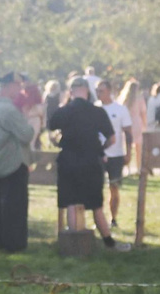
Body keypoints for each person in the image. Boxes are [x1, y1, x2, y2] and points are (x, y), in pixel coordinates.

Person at [47, 77, 112, 242]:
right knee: (96, 204)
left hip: (68, 161)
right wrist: (100, 150)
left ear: (70, 92)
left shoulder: (63, 111)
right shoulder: (97, 111)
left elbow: (51, 130)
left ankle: (74, 242)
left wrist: (57, 141)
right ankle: (108, 240)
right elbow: (112, 138)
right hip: (91, 161)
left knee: (71, 201)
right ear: (87, 91)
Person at [0, 79, 37, 253]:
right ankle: (14, 243)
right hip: (14, 161)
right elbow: (26, 134)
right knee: (15, 205)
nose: (20, 89)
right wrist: (30, 122)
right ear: (7, 86)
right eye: (17, 85)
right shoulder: (8, 110)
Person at [105, 81, 139, 232]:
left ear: (109, 91)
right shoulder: (95, 108)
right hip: (98, 154)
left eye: (102, 90)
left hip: (116, 154)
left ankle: (113, 218)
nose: (99, 93)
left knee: (114, 187)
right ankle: (99, 218)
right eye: (97, 91)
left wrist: (128, 153)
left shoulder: (120, 109)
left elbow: (128, 132)